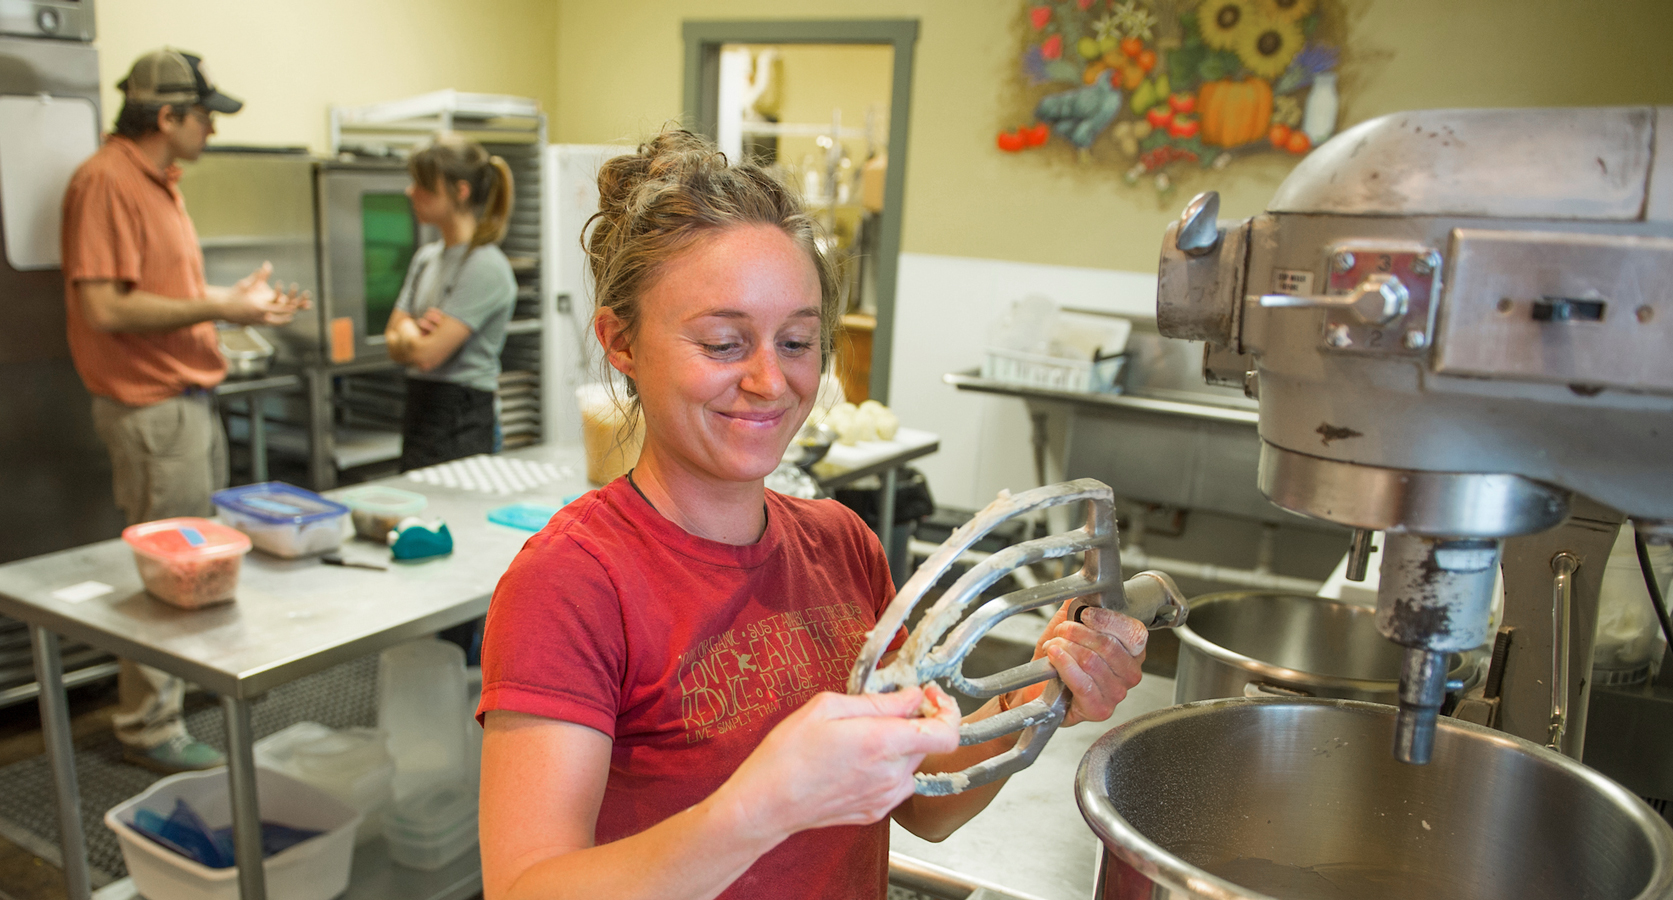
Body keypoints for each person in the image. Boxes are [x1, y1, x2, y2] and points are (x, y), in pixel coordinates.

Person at [474, 130, 1148, 899]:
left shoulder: (842, 546)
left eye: (797, 340)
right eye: (725, 343)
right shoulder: (573, 583)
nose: (771, 380)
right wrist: (761, 807)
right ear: (621, 341)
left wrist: (1039, 694)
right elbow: (527, 887)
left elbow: (922, 801)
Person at [61, 48, 308, 774]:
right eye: (205, 117)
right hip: (152, 412)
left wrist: (239, 309)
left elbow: (159, 300)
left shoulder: (158, 184)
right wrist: (221, 305)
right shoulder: (106, 182)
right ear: (166, 115)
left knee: (195, 568)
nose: (212, 130)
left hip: (184, 401)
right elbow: (104, 305)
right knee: (168, 576)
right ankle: (147, 726)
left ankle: (177, 697)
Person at [383, 133, 518, 471]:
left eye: (423, 185)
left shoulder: (485, 266)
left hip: (462, 419)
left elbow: (427, 357)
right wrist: (414, 332)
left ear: (461, 191)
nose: (410, 192)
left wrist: (408, 336)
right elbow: (391, 339)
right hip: (420, 412)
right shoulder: (426, 258)